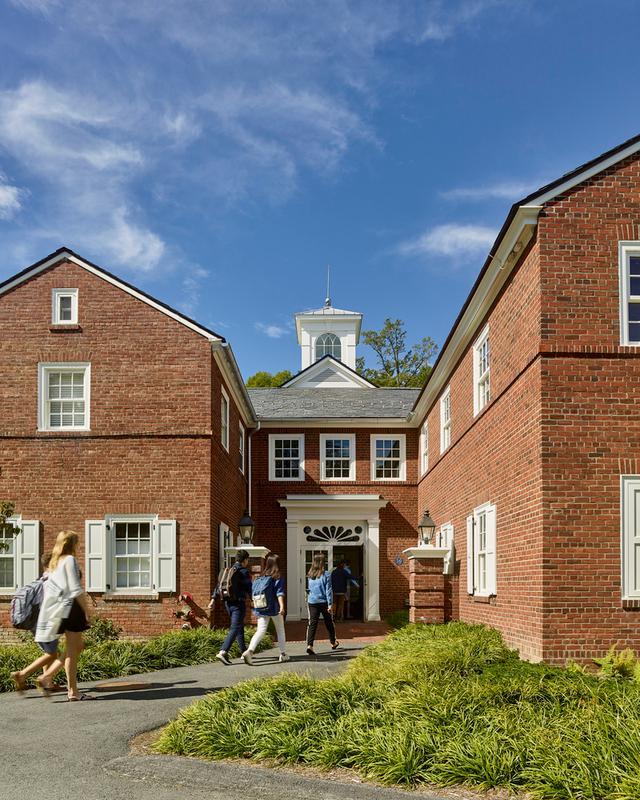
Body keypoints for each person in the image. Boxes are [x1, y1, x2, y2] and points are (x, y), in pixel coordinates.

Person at [35, 531, 93, 701]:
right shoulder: (69, 560)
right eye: (77, 542)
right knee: (73, 651)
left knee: (76, 647)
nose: (79, 545)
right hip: (72, 608)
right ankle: (70, 691)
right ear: (72, 544)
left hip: (61, 609)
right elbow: (75, 589)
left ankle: (52, 679)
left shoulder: (55, 562)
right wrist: (88, 611)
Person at [10, 552, 65, 695]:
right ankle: (22, 674)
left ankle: (48, 683)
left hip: (36, 623)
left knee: (50, 652)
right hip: (46, 622)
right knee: (53, 655)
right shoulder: (50, 581)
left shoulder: (41, 580)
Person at [242, 553, 289, 664]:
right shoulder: (278, 576)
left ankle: (250, 651)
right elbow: (279, 593)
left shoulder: (262, 576)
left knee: (260, 630)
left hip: (261, 607)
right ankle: (283, 654)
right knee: (280, 630)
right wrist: (282, 606)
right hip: (273, 608)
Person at [209, 548, 252, 665]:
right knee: (235, 627)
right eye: (247, 560)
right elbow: (249, 587)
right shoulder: (243, 571)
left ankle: (244, 652)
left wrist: (213, 599)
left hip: (227, 603)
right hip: (238, 603)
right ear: (245, 560)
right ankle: (223, 651)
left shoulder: (228, 570)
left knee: (239, 626)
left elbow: (218, 586)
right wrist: (253, 600)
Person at [306, 554, 339, 656]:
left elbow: (309, 588)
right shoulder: (326, 574)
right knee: (329, 623)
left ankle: (310, 646)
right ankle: (333, 643)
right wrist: (330, 604)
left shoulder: (310, 574)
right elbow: (328, 590)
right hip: (323, 602)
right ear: (322, 563)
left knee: (312, 624)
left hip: (312, 601)